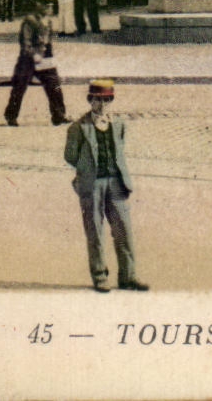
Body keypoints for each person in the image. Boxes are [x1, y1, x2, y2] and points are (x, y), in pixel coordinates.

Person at [64, 80, 148, 293]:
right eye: (97, 100)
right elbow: (70, 156)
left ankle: (128, 276)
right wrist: (88, 169)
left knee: (123, 230)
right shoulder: (78, 127)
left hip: (116, 182)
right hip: (92, 184)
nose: (101, 105)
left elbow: (119, 149)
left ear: (111, 101)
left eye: (106, 101)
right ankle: (100, 276)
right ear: (90, 101)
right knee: (95, 231)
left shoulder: (118, 124)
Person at [5, 0, 70, 127]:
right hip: (27, 61)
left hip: (45, 59)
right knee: (19, 88)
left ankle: (59, 115)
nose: (49, 9)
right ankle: (11, 116)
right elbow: (25, 42)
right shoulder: (30, 21)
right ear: (38, 5)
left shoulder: (48, 21)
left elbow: (48, 42)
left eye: (51, 6)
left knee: (54, 86)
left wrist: (50, 58)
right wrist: (33, 54)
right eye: (46, 6)